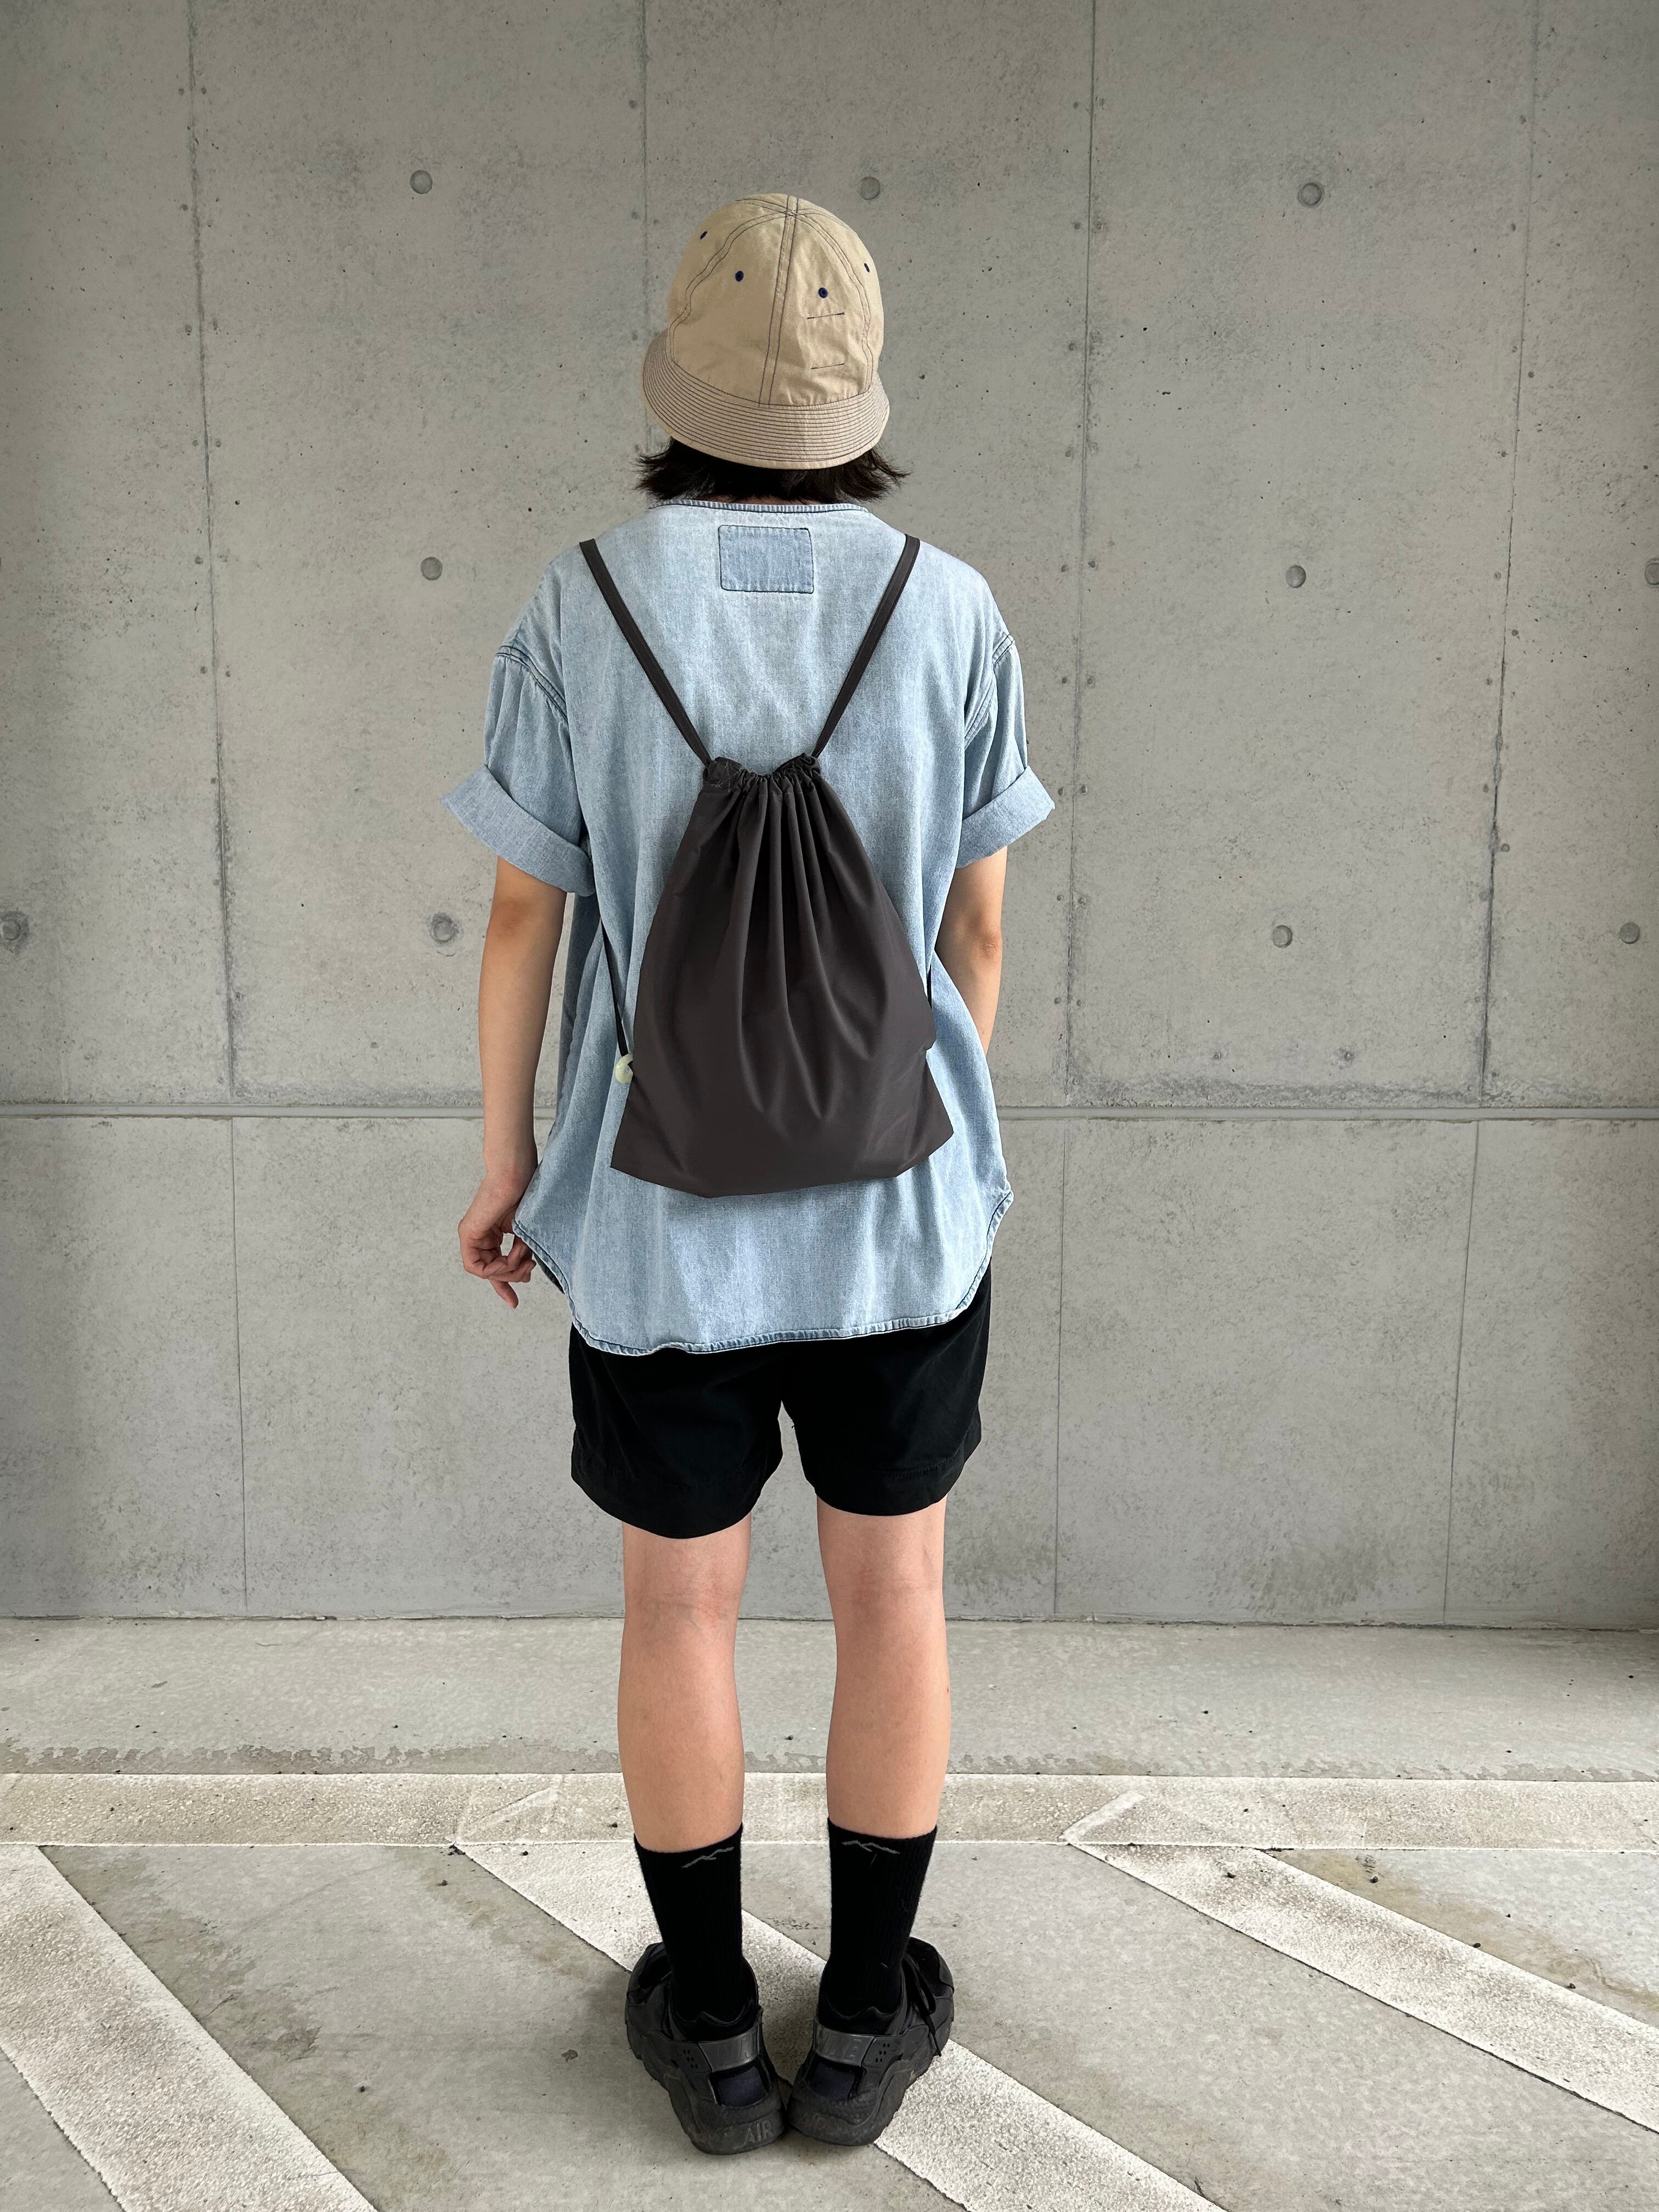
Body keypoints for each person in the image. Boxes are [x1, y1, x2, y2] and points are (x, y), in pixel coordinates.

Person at [443, 193, 1054, 2154]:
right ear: (856, 388)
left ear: (679, 390)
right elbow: (975, 932)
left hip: (657, 1225)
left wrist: (513, 1167)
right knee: (897, 1597)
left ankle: (711, 2037)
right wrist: (941, 1141)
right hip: (899, 1225)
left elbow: (524, 924)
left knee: (677, 1614)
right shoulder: (949, 606)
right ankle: (864, 2025)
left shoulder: (580, 603)